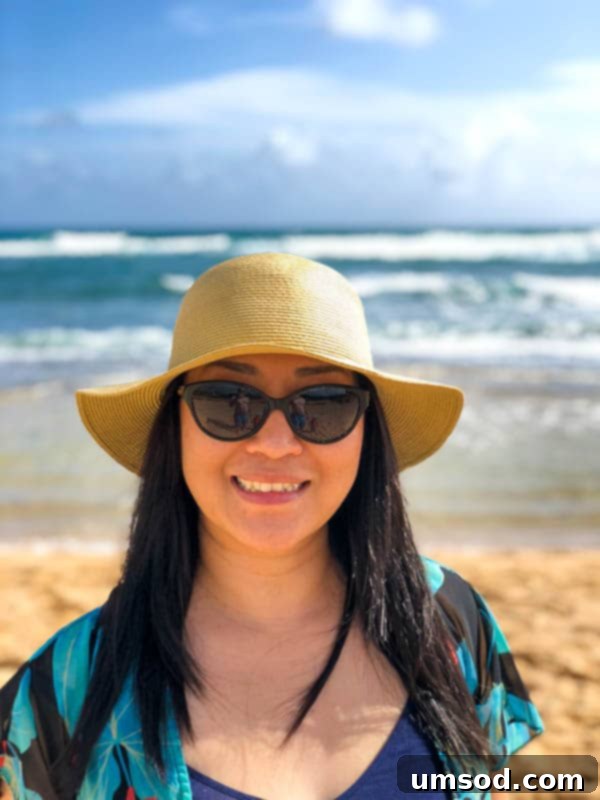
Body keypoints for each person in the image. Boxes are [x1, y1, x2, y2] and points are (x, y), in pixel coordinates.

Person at [0, 252, 543, 800]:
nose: (275, 443)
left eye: (324, 403)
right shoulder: (63, 693)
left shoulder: (449, 621)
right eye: (228, 401)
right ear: (176, 426)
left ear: (366, 432)